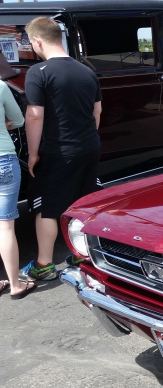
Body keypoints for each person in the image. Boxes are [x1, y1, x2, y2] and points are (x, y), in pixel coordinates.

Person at [21, 17, 102, 282]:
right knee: (81, 204)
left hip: (58, 151)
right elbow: (96, 112)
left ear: (37, 41)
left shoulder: (38, 72)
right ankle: (81, 254)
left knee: (47, 208)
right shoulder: (86, 70)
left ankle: (44, 264)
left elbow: (34, 116)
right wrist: (87, 138)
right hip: (89, 146)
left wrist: (33, 154)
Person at [0, 80, 34, 298]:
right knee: (6, 227)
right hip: (3, 160)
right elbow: (20, 120)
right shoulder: (1, 86)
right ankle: (15, 285)